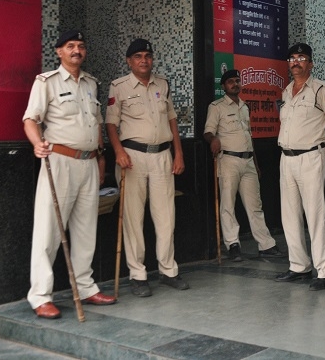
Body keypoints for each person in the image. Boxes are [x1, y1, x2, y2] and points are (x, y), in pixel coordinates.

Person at [23, 30, 116, 319]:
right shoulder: (46, 82)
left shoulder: (91, 83)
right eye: (70, 46)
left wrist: (100, 158)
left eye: (81, 46)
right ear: (59, 51)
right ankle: (41, 296)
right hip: (59, 161)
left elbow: (96, 124)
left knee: (86, 229)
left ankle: (86, 288)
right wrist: (37, 143)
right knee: (49, 230)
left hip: (88, 163)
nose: (77, 50)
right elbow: (30, 119)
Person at [105, 39, 189, 297]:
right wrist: (118, 151)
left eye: (148, 56)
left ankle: (168, 270)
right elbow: (110, 124)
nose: (144, 60)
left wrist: (178, 153)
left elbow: (172, 119)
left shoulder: (162, 84)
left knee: (166, 216)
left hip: (162, 155)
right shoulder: (118, 86)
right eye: (138, 56)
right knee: (133, 218)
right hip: (132, 157)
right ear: (129, 61)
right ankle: (138, 275)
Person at [275, 43, 325, 291]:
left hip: (311, 157)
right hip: (286, 158)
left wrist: (324, 153)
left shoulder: (321, 89)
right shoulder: (286, 92)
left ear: (310, 64)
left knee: (315, 216)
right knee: (289, 215)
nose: (296, 62)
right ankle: (299, 266)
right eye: (292, 58)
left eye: (301, 58)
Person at [203, 69, 284, 262]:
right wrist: (213, 139)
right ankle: (233, 245)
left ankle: (266, 245)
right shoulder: (216, 107)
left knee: (255, 205)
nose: (235, 84)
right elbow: (207, 132)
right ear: (223, 86)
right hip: (228, 160)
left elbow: (249, 137)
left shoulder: (245, 106)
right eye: (230, 81)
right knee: (228, 205)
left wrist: (255, 163)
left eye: (237, 81)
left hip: (248, 162)